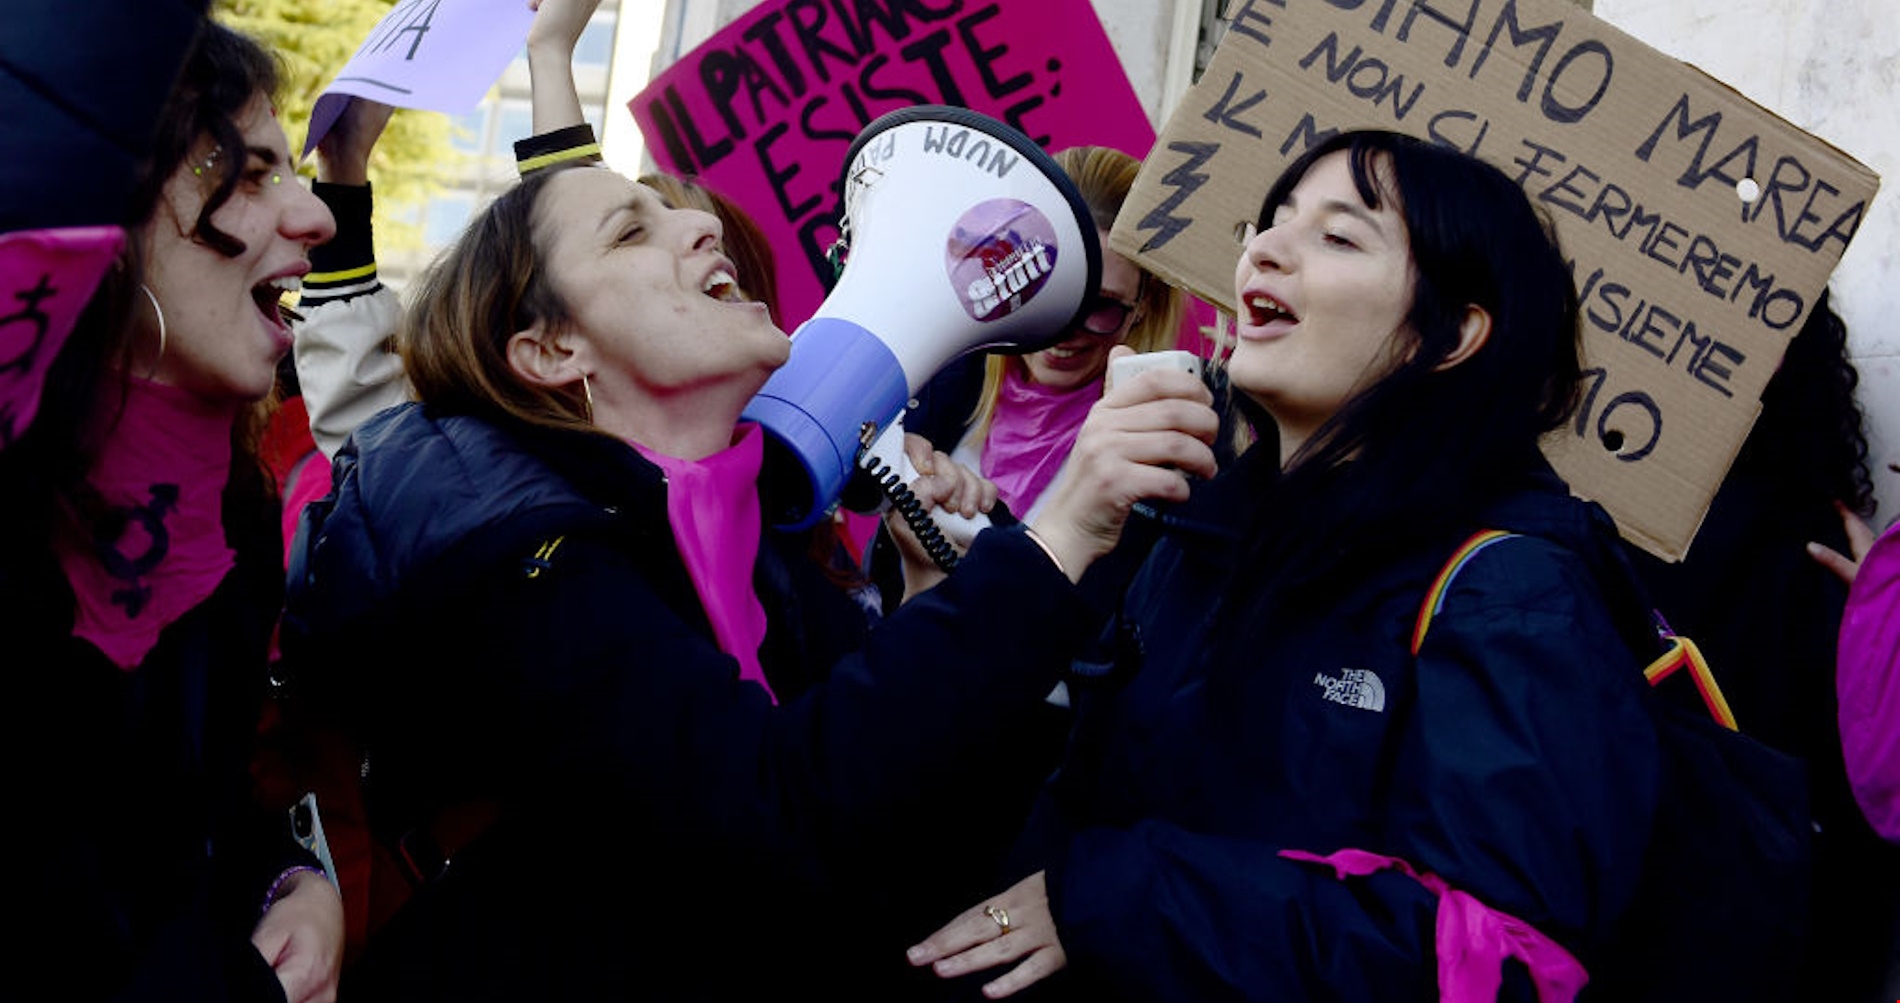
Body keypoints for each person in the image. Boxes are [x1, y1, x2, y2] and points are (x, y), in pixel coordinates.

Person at [274, 137, 1217, 1000]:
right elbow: (777, 808)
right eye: (630, 230)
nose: (700, 222)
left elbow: (880, 771)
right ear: (553, 349)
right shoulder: (524, 563)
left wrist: (930, 592)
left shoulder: (729, 522)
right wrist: (1059, 533)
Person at [908, 130, 1665, 1001]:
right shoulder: (1198, 534)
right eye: (1271, 221)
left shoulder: (1512, 592)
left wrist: (1123, 897)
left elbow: (1508, 956)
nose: (1262, 248)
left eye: (1339, 236)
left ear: (1452, 333)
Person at [0, 18, 344, 1003]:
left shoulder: (234, 510)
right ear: (105, 225)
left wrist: (291, 879)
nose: (314, 217)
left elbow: (199, 815)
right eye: (246, 173)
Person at [1627, 288, 1898, 1000]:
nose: (1704, 340)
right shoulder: (1549, 521)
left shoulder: (1818, 552)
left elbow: (1859, 831)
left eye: (1752, 320)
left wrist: (1880, 623)